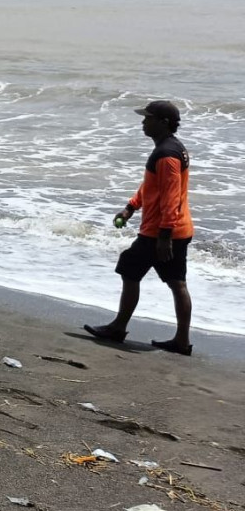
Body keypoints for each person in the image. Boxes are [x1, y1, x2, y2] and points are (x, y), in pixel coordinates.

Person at [85, 101, 196, 355]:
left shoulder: (167, 154)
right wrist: (131, 207)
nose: (143, 122)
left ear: (163, 122)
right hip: (174, 230)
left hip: (161, 232)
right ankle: (181, 341)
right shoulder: (170, 149)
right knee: (176, 282)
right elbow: (152, 187)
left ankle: (118, 328)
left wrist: (164, 236)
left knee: (130, 269)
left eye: (148, 118)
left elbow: (170, 198)